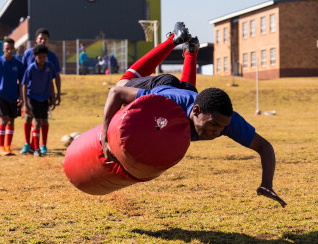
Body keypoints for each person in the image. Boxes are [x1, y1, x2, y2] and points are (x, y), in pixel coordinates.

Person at [101, 22, 287, 208]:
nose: (217, 131)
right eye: (214, 125)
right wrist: (105, 138)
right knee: (124, 82)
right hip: (161, 88)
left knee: (190, 93)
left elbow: (264, 146)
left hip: (187, 95)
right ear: (198, 112)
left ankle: (192, 50)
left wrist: (267, 183)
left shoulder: (224, 119)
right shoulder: (165, 100)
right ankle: (173, 40)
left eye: (222, 128)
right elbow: (116, 93)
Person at [21, 28, 61, 152]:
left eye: (45, 39)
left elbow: (55, 78)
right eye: (40, 38)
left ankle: (41, 145)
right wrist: (22, 99)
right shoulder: (28, 54)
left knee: (41, 120)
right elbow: (23, 78)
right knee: (29, 117)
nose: (43, 40)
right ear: (36, 39)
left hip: (44, 94)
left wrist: (57, 95)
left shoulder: (52, 57)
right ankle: (28, 144)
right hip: (31, 94)